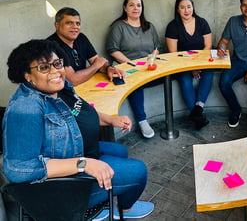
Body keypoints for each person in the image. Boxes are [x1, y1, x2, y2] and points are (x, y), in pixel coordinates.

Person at [2, 39, 154, 220]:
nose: (56, 71)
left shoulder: (61, 88)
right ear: (27, 75)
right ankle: (122, 209)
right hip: (59, 190)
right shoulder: (26, 108)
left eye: (57, 64)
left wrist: (111, 120)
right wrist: (84, 163)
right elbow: (18, 169)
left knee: (120, 150)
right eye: (44, 67)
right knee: (139, 171)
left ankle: (103, 201)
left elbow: (82, 111)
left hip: (74, 155)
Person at [106, 0, 162, 139]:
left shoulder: (149, 26)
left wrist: (152, 58)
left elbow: (157, 46)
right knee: (136, 83)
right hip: (127, 67)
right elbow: (113, 49)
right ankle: (142, 120)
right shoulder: (119, 26)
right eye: (131, 5)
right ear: (125, 8)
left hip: (149, 67)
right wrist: (132, 63)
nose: (135, 8)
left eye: (138, 5)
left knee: (174, 75)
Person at [165, 0, 213, 129]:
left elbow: (208, 46)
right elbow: (173, 53)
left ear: (193, 8)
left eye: (189, 6)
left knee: (209, 73)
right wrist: (191, 68)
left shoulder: (202, 22)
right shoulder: (173, 26)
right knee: (185, 80)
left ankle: (198, 108)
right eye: (182, 7)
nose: (186, 10)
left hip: (202, 61)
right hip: (181, 64)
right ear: (177, 9)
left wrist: (198, 66)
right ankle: (197, 116)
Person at [47, 7, 125, 86]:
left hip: (85, 85)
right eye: (69, 23)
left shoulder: (81, 38)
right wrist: (96, 66)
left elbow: (96, 60)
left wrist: (108, 68)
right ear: (57, 25)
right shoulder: (50, 46)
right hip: (65, 93)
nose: (75, 27)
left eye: (78, 23)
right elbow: (73, 80)